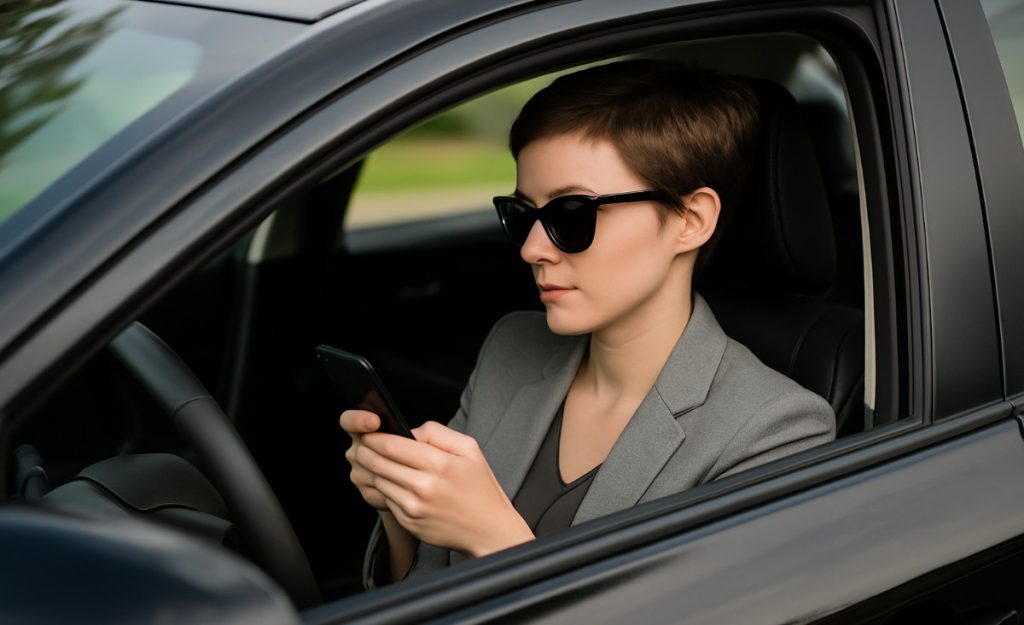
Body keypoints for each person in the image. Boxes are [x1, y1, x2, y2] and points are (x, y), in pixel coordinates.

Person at [340, 59, 836, 588]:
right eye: (522, 214)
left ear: (691, 221)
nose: (532, 248)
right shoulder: (511, 347)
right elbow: (418, 589)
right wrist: (401, 512)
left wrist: (493, 537)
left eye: (570, 215)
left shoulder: (775, 432)